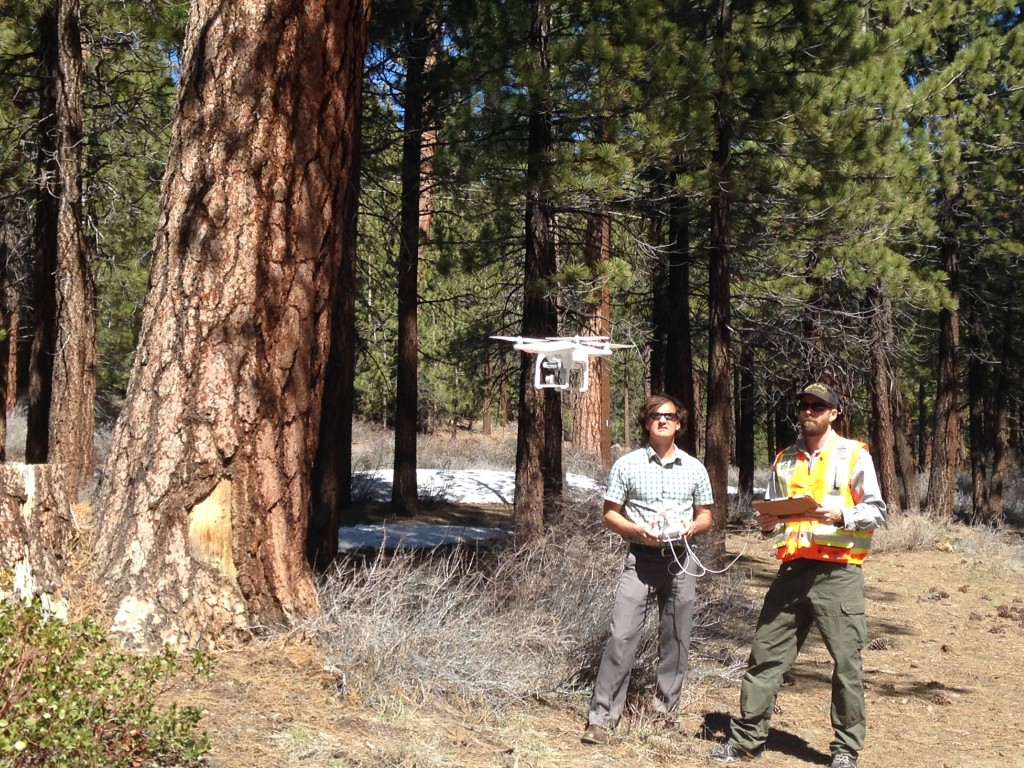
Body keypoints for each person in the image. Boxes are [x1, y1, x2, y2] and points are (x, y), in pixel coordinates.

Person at [707, 383, 886, 768]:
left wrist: (841, 515)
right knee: (765, 656)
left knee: (847, 663)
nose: (809, 411)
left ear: (834, 413)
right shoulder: (785, 459)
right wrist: (767, 523)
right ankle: (745, 742)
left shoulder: (854, 454)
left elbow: (878, 511)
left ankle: (845, 750)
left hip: (839, 572)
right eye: (804, 405)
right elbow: (773, 517)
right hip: (792, 570)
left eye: (818, 406)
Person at [581, 393, 714, 745]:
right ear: (646, 422)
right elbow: (609, 514)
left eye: (669, 416)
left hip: (681, 559)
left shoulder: (694, 468)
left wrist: (693, 527)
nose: (663, 421)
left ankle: (664, 717)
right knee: (621, 636)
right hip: (639, 559)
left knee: (676, 640)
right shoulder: (627, 465)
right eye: (656, 416)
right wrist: (635, 530)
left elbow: (706, 515)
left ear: (679, 423)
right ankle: (602, 717)